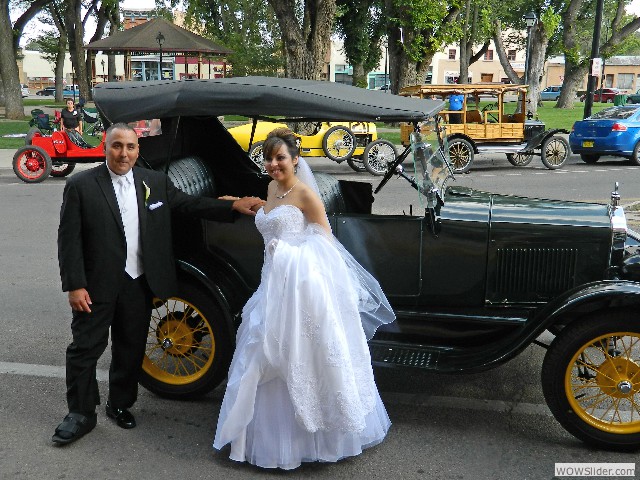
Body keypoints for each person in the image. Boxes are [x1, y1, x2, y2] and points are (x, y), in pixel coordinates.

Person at [52, 123, 264, 445]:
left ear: (138, 150)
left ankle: (119, 404)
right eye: (117, 146)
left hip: (139, 281)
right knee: (85, 349)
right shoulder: (82, 185)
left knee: (131, 348)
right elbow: (69, 240)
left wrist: (231, 206)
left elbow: (189, 205)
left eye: (131, 147)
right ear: (105, 147)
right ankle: (80, 413)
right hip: (96, 285)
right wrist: (75, 285)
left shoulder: (154, 182)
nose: (124, 153)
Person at [213, 128, 395, 469]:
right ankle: (262, 438)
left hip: (300, 284)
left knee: (302, 352)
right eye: (268, 158)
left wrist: (289, 255)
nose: (273, 164)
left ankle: (315, 439)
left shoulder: (306, 194)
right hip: (273, 283)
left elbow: (324, 239)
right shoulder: (271, 187)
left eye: (280, 158)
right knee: (262, 345)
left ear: (295, 159)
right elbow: (272, 216)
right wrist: (240, 204)